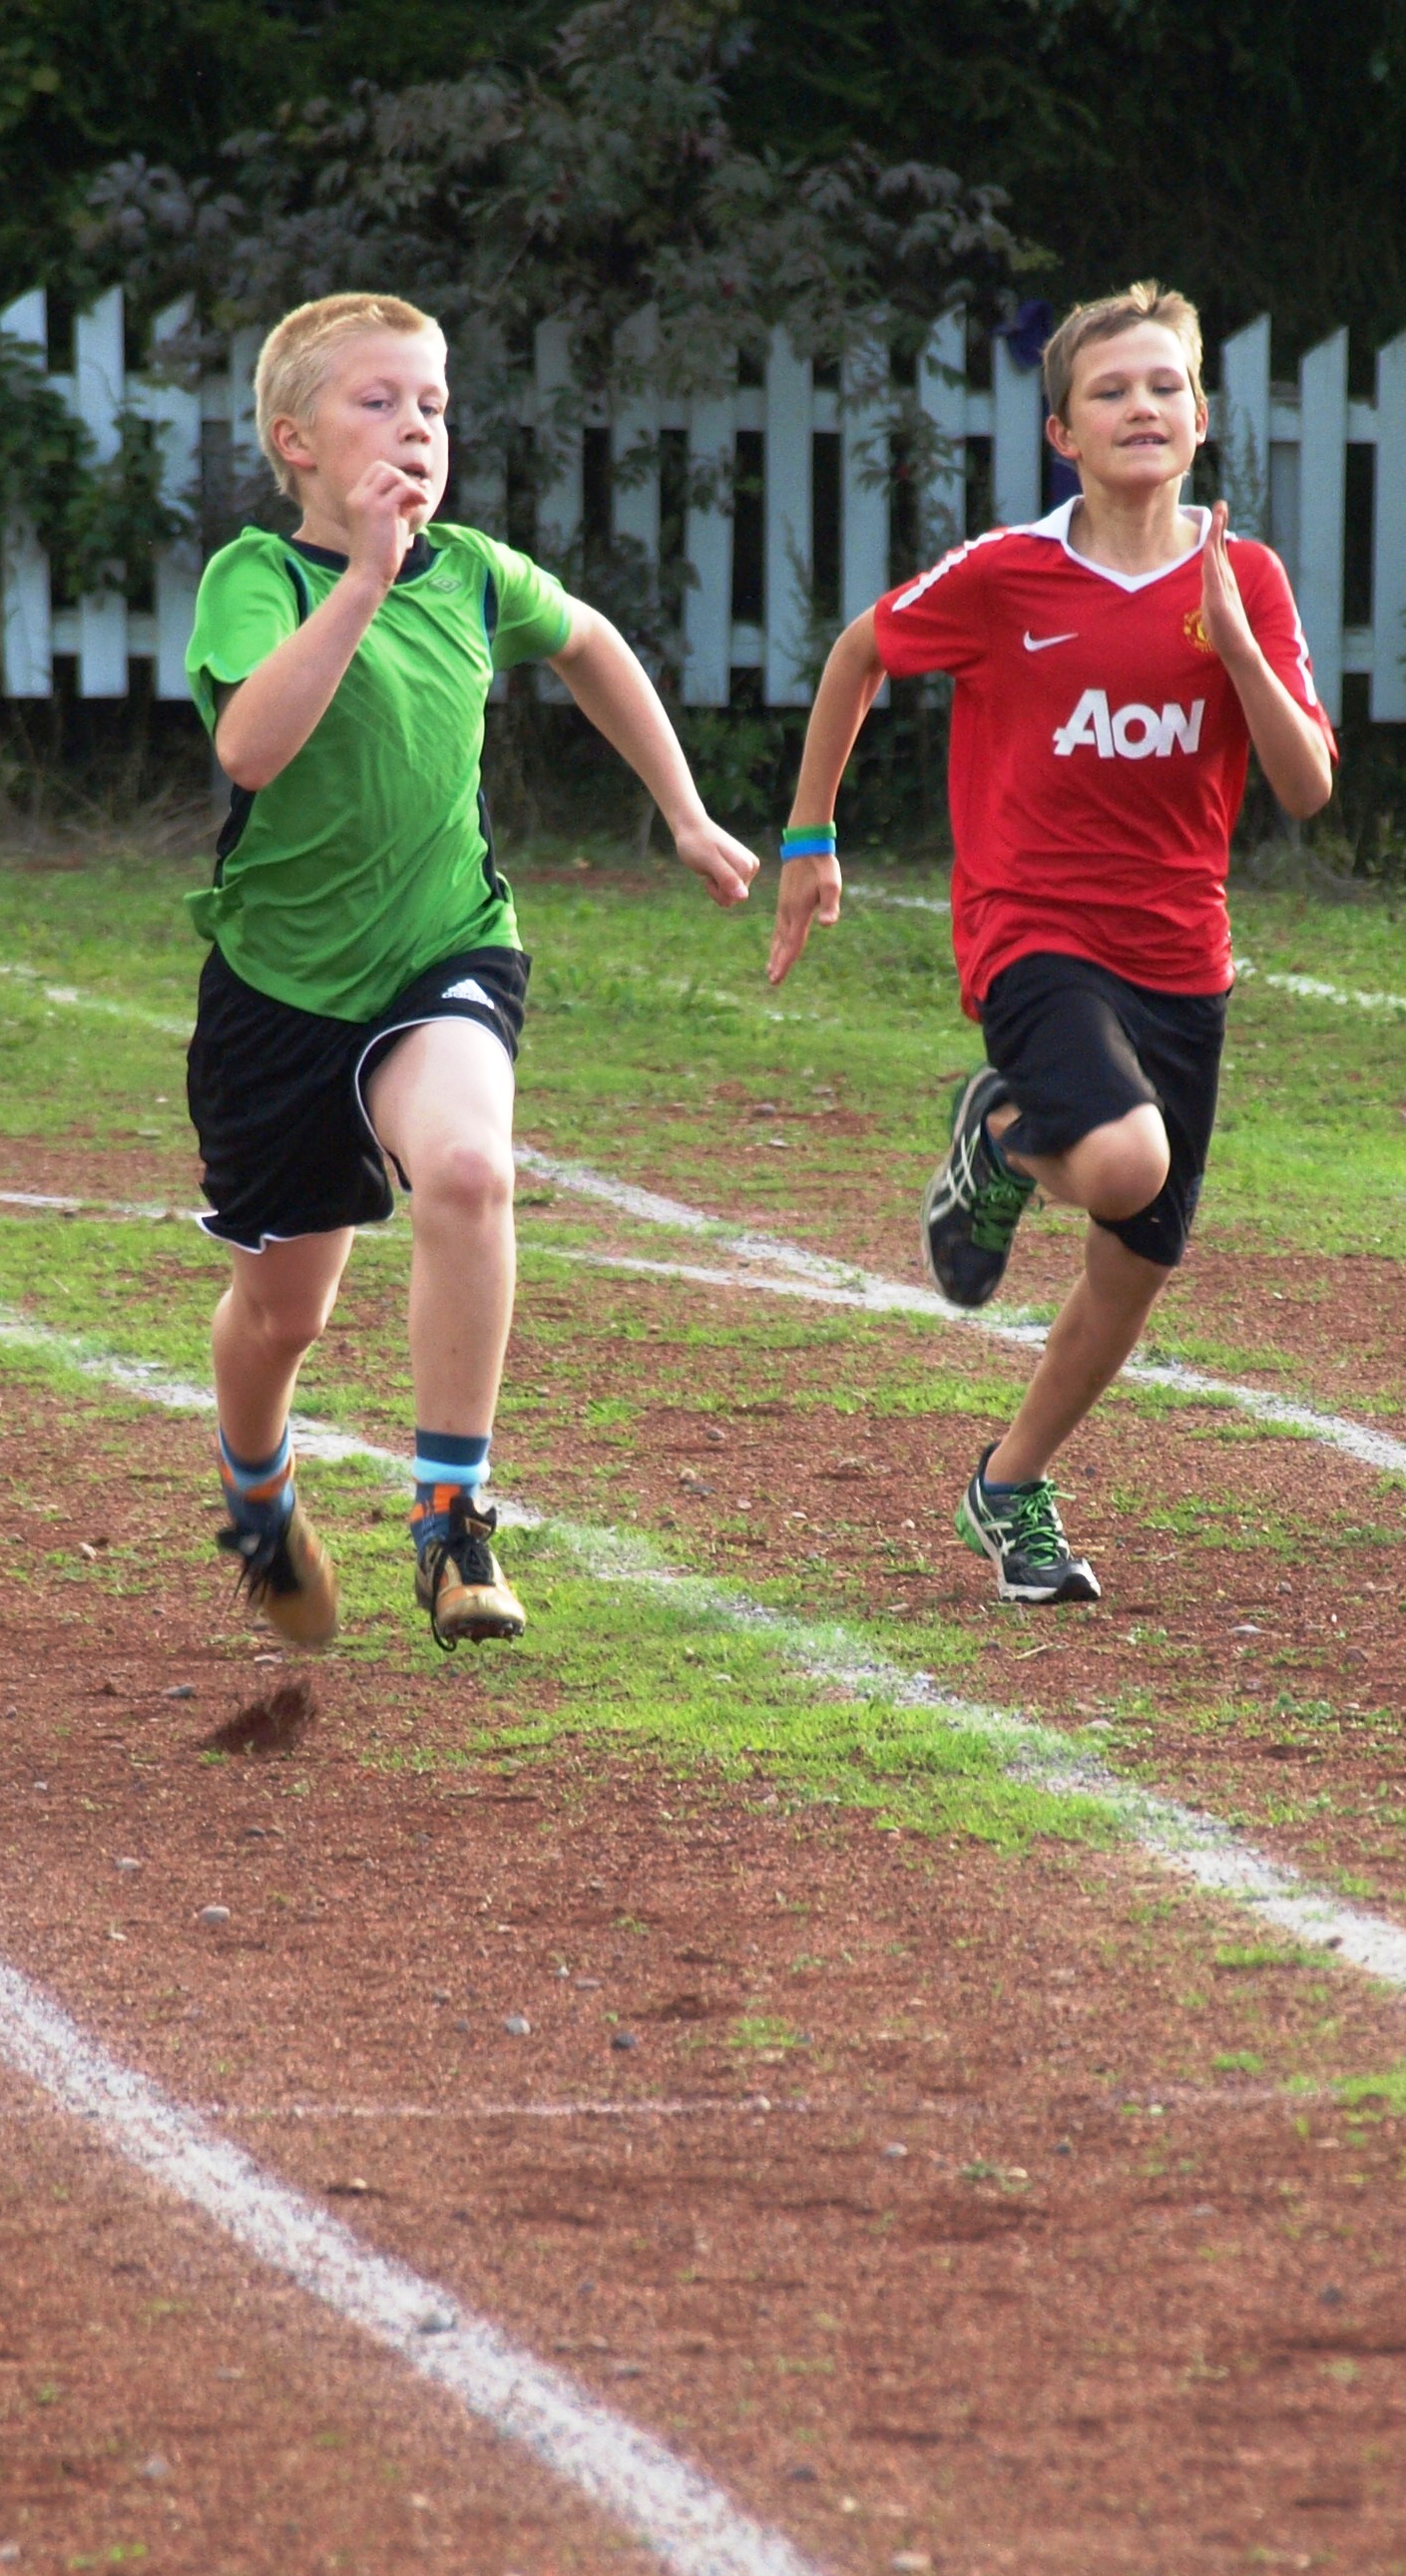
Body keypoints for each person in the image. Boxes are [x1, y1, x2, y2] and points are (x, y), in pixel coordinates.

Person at [186, 290, 753, 1649]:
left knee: (469, 1170)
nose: (416, 427)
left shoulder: (482, 573)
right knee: (282, 1315)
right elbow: (252, 750)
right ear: (296, 442)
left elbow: (594, 645)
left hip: (448, 947)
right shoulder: (257, 579)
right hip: (279, 993)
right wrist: (368, 578)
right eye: (378, 402)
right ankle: (258, 1492)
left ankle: (451, 1516)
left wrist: (682, 810)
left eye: (433, 405)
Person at [768, 281, 1335, 1603]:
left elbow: (1305, 787)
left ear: (1199, 419)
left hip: (1182, 957)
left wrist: (1239, 647)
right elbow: (859, 653)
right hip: (1032, 930)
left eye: (1164, 387)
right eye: (1109, 390)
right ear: (1061, 435)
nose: (1141, 406)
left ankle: (1007, 1485)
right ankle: (1006, 1132)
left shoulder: (1242, 576)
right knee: (1127, 1162)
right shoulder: (1009, 572)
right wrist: (810, 837)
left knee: (1133, 1272)